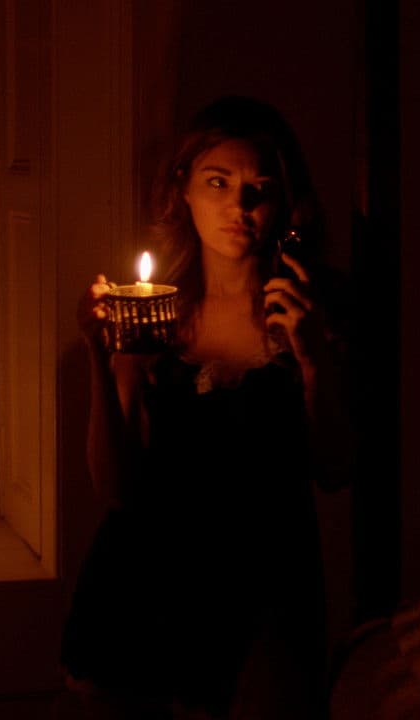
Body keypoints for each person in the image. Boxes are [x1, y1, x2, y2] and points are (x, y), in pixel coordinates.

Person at [60, 96, 353, 719]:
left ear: (285, 202)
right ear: (184, 190)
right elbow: (116, 490)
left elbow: (333, 470)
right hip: (144, 585)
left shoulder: (312, 309)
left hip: (265, 585)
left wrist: (312, 361)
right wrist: (100, 358)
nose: (238, 207)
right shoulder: (155, 315)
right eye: (217, 183)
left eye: (258, 190)